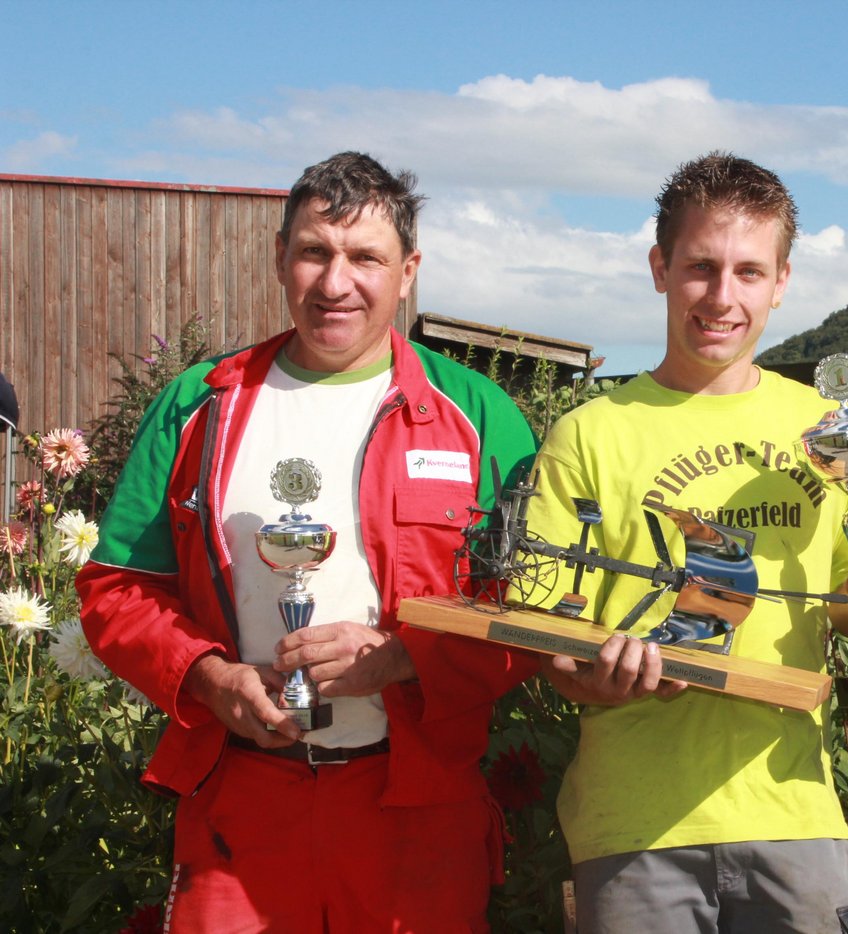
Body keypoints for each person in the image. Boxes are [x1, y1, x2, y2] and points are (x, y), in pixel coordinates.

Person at [77, 152, 537, 932]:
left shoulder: (480, 417)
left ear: (409, 269)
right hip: (241, 801)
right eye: (314, 251)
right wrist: (209, 676)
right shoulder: (200, 405)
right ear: (280, 256)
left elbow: (528, 609)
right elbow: (115, 586)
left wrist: (402, 657)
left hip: (416, 804)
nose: (335, 283)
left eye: (365, 258)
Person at [523, 152, 848, 933]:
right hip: (635, 825)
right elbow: (547, 643)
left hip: (794, 811)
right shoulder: (588, 434)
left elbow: (846, 598)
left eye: (748, 272)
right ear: (660, 267)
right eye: (700, 267)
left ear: (782, 281)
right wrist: (595, 680)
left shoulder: (829, 433)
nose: (722, 297)